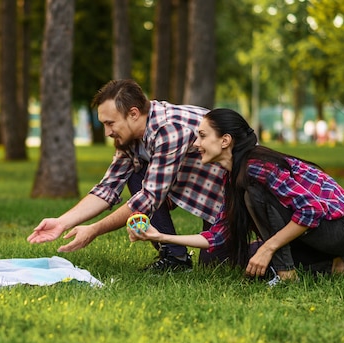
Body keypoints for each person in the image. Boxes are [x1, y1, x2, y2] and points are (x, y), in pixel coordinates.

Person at [128, 108, 344, 283]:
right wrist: (162, 237)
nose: (196, 142)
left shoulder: (255, 167)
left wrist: (269, 248)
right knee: (245, 261)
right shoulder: (231, 176)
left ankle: (286, 274)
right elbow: (218, 235)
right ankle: (339, 265)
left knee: (255, 198)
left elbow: (311, 210)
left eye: (202, 136)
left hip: (341, 227)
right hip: (313, 232)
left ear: (225, 141)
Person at [27, 79, 228, 272]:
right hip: (203, 193)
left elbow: (149, 198)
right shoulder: (131, 138)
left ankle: (258, 245)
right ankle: (174, 257)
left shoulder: (169, 128)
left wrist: (94, 230)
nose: (107, 132)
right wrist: (62, 222)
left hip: (230, 198)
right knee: (136, 173)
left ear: (133, 113)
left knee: (222, 267)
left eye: (110, 123)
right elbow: (107, 189)